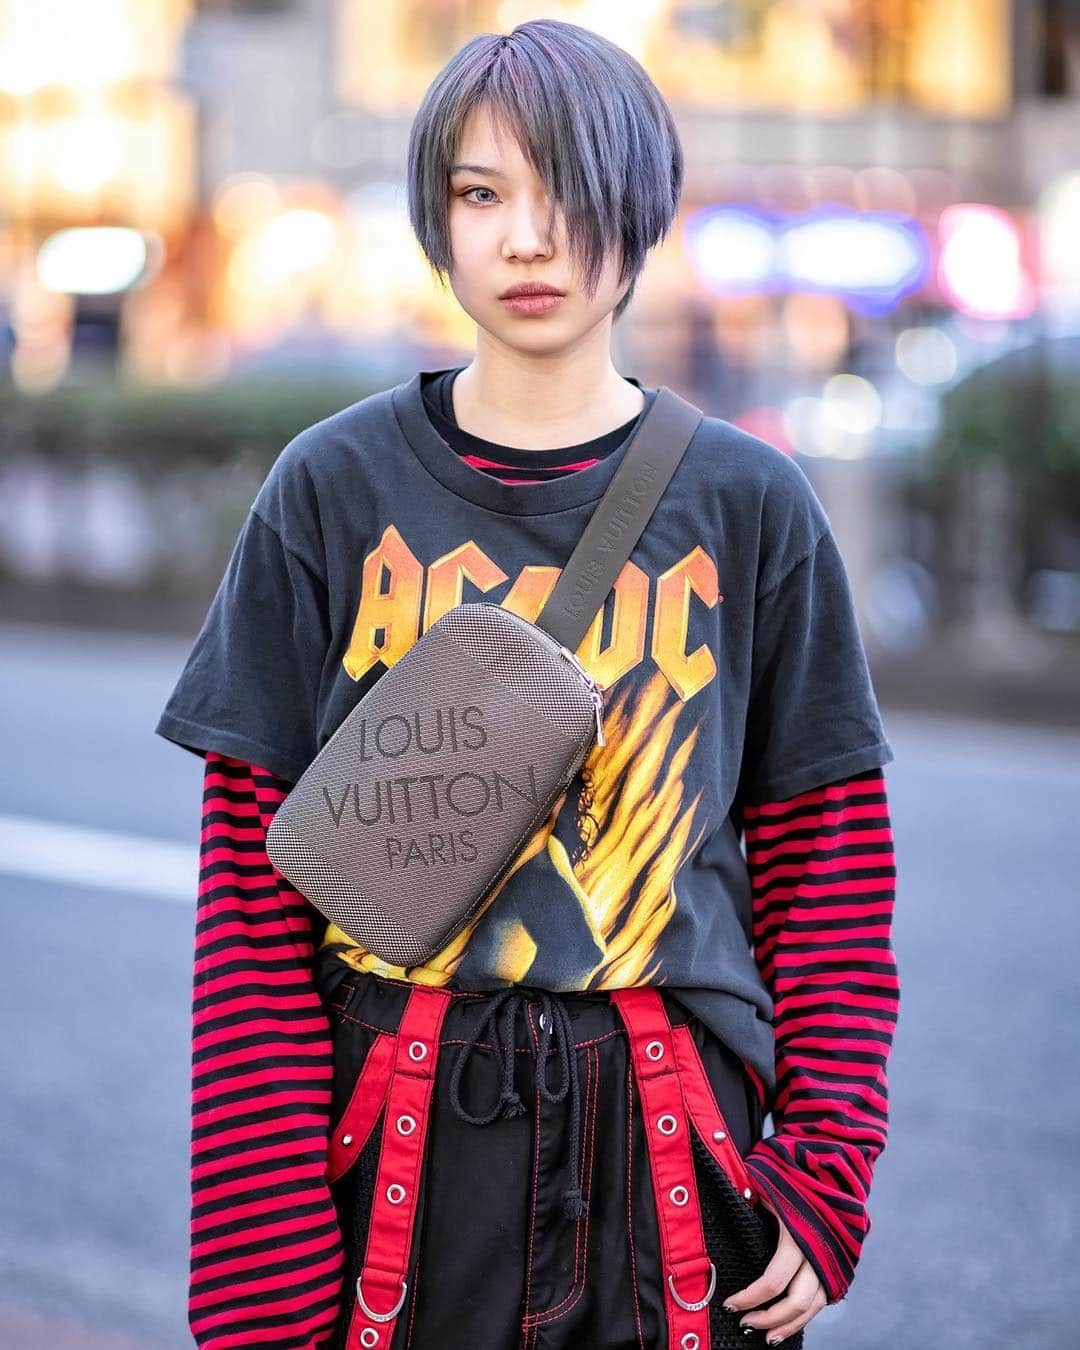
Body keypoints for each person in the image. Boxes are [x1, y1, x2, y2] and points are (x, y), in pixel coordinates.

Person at [155, 19, 899, 1350]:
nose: (527, 237)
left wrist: (822, 1177)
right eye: (480, 192)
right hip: (396, 1136)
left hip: (676, 1147)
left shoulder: (751, 505)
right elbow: (250, 910)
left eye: (563, 188)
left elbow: (826, 873)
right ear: (437, 220)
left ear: (641, 205)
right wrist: (263, 1278)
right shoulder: (330, 491)